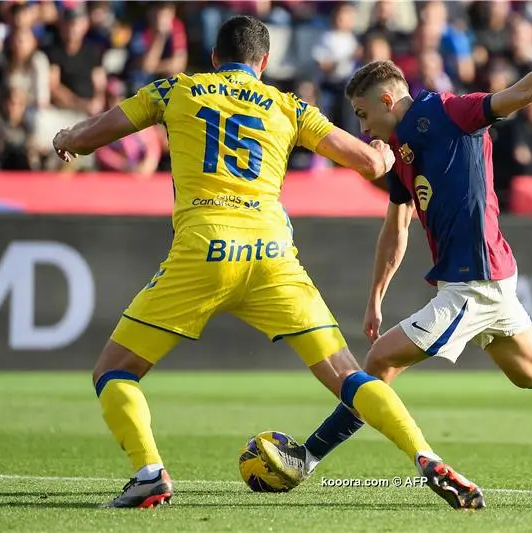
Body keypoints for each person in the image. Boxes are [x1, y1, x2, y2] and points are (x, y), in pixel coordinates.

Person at [51, 16, 481, 510]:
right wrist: (383, 153)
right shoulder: (288, 105)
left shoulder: (174, 91)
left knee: (114, 372)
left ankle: (149, 472)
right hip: (273, 254)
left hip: (204, 248)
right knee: (349, 377)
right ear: (264, 63)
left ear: (214, 58)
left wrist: (65, 136)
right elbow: (369, 164)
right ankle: (424, 456)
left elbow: (87, 138)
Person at [258, 41, 532, 494]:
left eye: (361, 113)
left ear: (387, 100)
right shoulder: (398, 150)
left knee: (379, 362)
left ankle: (309, 456)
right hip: (491, 277)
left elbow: (522, 92)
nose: (362, 125)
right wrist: (376, 295)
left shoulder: (451, 112)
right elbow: (396, 228)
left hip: (472, 280)